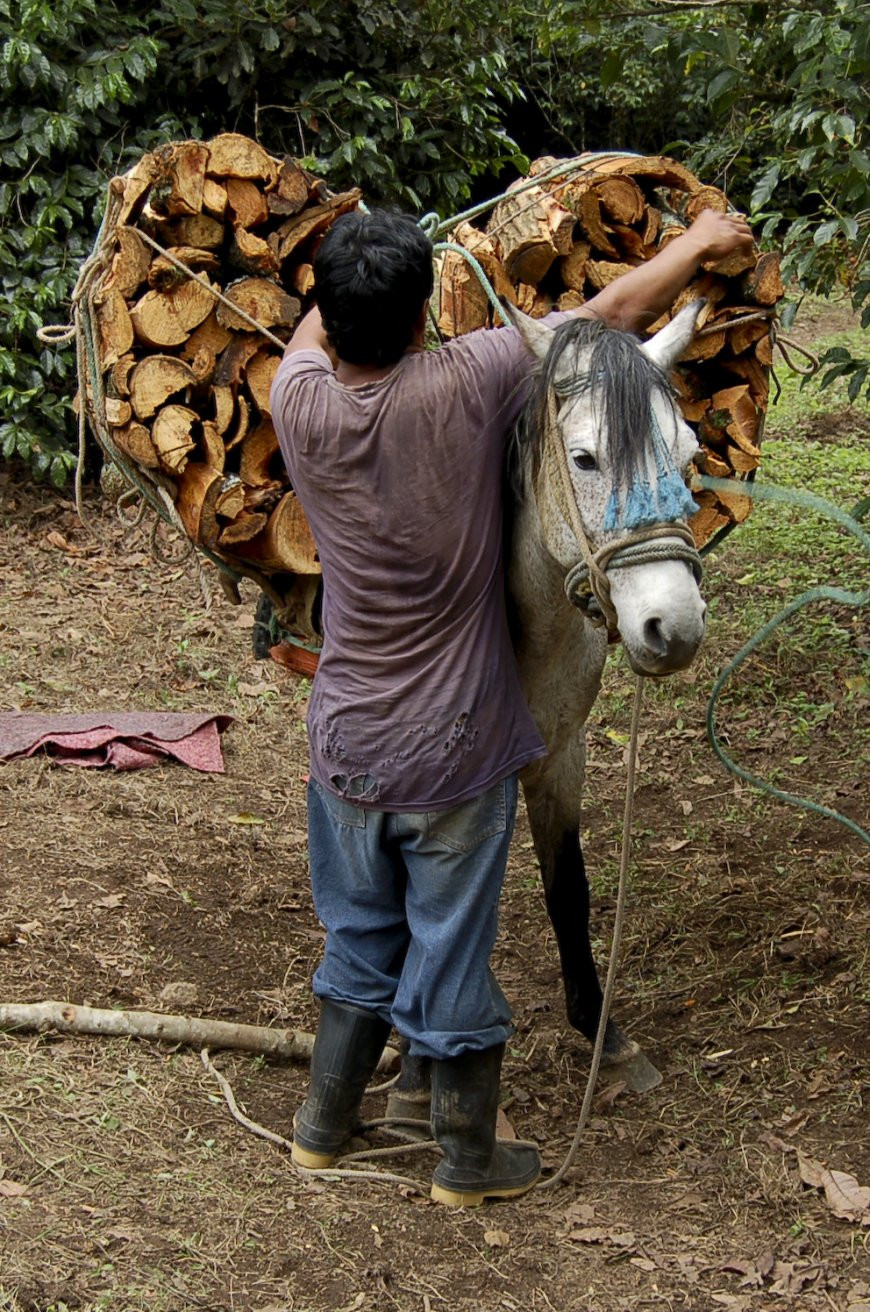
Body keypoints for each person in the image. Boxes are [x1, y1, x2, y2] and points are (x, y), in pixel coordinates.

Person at [270, 202, 753, 1207]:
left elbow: (312, 331)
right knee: (450, 948)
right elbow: (610, 313)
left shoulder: (296, 400)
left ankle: (320, 1129)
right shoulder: (464, 380)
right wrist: (700, 243)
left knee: (360, 936)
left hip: (345, 739)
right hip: (451, 748)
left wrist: (343, 281)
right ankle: (465, 1156)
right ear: (420, 325)